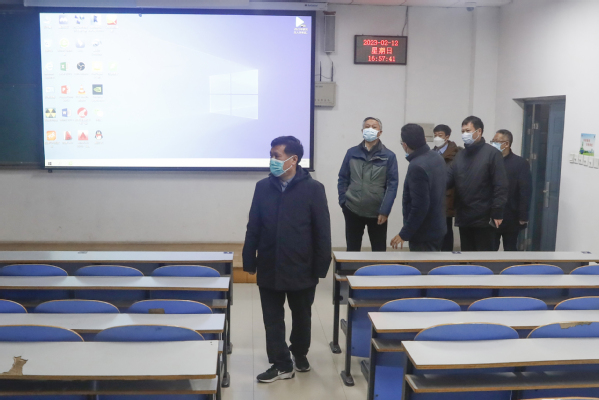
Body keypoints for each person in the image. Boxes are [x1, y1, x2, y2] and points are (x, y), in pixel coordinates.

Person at [242, 136, 332, 383]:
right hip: (269, 263)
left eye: (277, 156)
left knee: (302, 316)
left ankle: (299, 353)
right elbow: (253, 226)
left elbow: (322, 231)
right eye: (271, 155)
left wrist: (320, 266)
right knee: (272, 319)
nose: (272, 160)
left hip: (301, 265)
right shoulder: (263, 187)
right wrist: (249, 258)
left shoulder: (314, 189)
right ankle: (281, 364)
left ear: (293, 160)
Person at [447, 116, 509, 251]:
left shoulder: (492, 154)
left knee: (483, 258)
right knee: (467, 256)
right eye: (463, 131)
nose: (464, 134)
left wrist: (498, 212)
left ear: (479, 131)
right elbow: (448, 178)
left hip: (484, 218)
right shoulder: (460, 155)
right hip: (464, 216)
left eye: (468, 131)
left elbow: (500, 185)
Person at [338, 117, 399, 252]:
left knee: (379, 251)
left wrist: (385, 211)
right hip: (352, 209)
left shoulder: (389, 156)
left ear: (380, 132)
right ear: (362, 131)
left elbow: (392, 186)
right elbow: (343, 178)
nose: (370, 129)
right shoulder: (352, 153)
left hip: (377, 213)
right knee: (352, 251)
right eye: (367, 126)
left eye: (374, 127)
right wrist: (343, 201)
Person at [390, 124, 447, 251]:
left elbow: (420, 206)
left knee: (423, 264)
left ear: (404, 145)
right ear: (424, 139)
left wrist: (404, 234)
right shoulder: (437, 157)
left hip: (424, 234)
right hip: (438, 228)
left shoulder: (417, 166)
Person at [490, 129, 532, 251]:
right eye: (492, 141)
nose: (493, 144)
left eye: (496, 141)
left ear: (507, 144)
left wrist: (523, 215)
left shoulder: (520, 163)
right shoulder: (490, 161)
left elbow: (525, 191)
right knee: (490, 249)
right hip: (491, 214)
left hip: (511, 215)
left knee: (510, 249)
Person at [432, 124, 461, 251]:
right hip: (433, 195)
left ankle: (447, 255)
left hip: (448, 196)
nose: (437, 138)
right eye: (435, 135)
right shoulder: (431, 153)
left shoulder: (456, 153)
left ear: (447, 137)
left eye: (440, 135)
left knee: (446, 229)